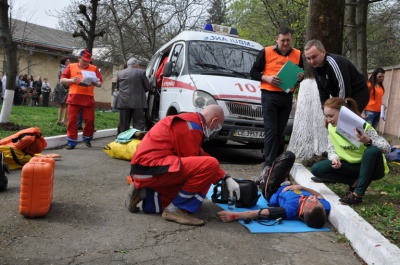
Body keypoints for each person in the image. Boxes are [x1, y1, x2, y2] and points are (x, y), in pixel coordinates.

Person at [126, 105, 241, 226]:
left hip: (147, 170)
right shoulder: (191, 127)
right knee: (210, 166)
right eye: (218, 126)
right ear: (214, 121)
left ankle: (146, 193)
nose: (216, 129)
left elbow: (199, 154)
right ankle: (174, 210)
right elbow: (198, 164)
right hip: (151, 169)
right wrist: (221, 177)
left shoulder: (190, 122)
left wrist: (225, 177)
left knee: (194, 201)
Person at [217, 151, 330, 229]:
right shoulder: (323, 208)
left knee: (287, 156)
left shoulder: (289, 210)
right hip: (290, 186)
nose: (313, 197)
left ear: (303, 211)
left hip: (273, 189)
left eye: (311, 202)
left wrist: (233, 215)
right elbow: (320, 196)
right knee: (290, 156)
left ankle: (265, 180)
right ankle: (272, 178)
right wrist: (302, 187)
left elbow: (259, 213)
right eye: (317, 201)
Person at [311, 97, 390, 205]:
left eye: (331, 116)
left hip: (372, 169)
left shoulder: (363, 127)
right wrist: (335, 159)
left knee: (372, 151)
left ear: (343, 113)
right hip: (351, 167)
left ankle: (357, 195)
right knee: (317, 169)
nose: (328, 119)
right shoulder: (331, 127)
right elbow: (331, 148)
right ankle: (353, 183)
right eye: (326, 116)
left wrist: (368, 140)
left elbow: (387, 148)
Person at [250, 26, 304, 182]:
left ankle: (278, 167)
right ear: (276, 39)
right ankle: (267, 167)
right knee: (271, 131)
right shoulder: (266, 52)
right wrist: (267, 78)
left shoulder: (298, 54)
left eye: (288, 40)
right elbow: (253, 72)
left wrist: (299, 77)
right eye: (283, 40)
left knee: (280, 133)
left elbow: (301, 73)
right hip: (269, 96)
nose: (286, 43)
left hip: (286, 96)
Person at [304, 39, 370, 113]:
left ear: (323, 52)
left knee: (345, 119)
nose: (312, 61)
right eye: (308, 58)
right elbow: (322, 91)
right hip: (342, 95)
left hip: (357, 94)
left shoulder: (334, 63)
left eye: (314, 57)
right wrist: (325, 111)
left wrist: (339, 110)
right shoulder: (315, 67)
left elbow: (343, 89)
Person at [60, 49, 103, 150]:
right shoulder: (70, 66)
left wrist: (96, 83)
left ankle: (87, 138)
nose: (86, 63)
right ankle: (71, 142)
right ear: (79, 58)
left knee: (90, 120)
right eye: (84, 60)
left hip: (88, 98)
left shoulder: (94, 68)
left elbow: (100, 82)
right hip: (74, 97)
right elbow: (62, 80)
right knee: (72, 121)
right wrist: (71, 80)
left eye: (88, 61)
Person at [115, 57, 150, 134]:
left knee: (123, 124)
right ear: (137, 65)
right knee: (138, 124)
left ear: (127, 65)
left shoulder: (120, 73)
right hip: (138, 103)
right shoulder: (141, 72)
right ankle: (136, 142)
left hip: (123, 102)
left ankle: (121, 141)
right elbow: (147, 88)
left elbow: (118, 87)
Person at [55, 57, 71, 125]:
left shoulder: (60, 69)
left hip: (59, 87)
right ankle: (65, 120)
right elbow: (66, 79)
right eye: (68, 61)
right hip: (65, 87)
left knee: (61, 105)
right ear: (64, 62)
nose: (69, 62)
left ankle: (59, 120)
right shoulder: (66, 69)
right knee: (67, 104)